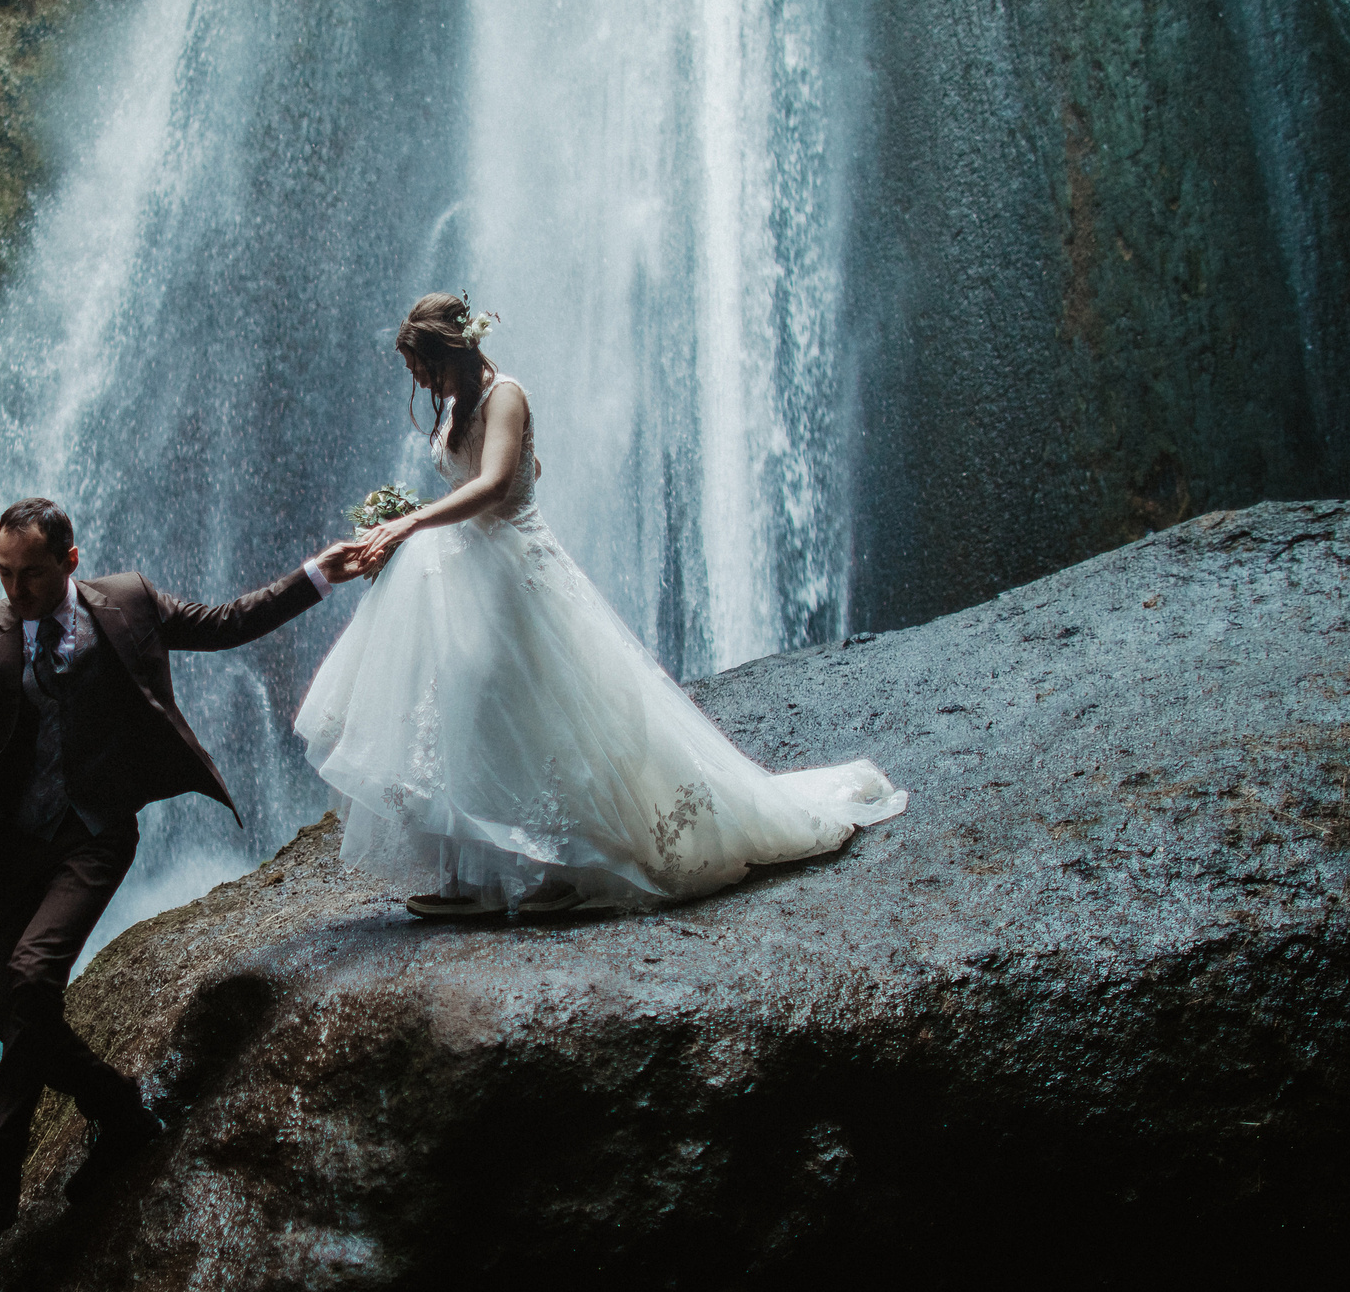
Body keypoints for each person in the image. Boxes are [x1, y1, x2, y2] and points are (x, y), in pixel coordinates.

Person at [0, 498, 357, 1255]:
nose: (16, 591)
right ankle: (118, 1110)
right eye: (4, 574)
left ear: (72, 561)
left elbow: (225, 623)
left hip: (95, 834)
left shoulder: (129, 602)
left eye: (32, 575)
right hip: (21, 842)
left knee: (29, 982)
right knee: (6, 1010)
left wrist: (319, 574)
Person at [296, 293, 906, 917]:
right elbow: (527, 464)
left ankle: (560, 870)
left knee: (529, 713)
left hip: (519, 574)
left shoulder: (504, 393)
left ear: (443, 351)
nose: (415, 378)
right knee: (472, 709)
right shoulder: (460, 403)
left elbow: (500, 482)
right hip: (477, 567)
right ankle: (478, 879)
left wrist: (409, 525)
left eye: (416, 365)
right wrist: (429, 517)